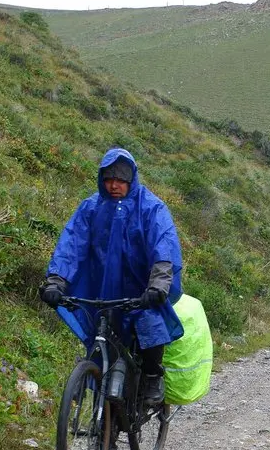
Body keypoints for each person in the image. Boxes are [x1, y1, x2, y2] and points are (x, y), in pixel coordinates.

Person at [41, 148, 183, 402]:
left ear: (131, 180)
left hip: (143, 290)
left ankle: (152, 376)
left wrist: (159, 284)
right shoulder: (91, 208)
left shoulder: (151, 209)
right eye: (108, 179)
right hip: (103, 290)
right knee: (102, 342)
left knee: (150, 326)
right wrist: (56, 280)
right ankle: (104, 426)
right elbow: (71, 246)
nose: (113, 185)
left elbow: (164, 247)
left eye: (120, 180)